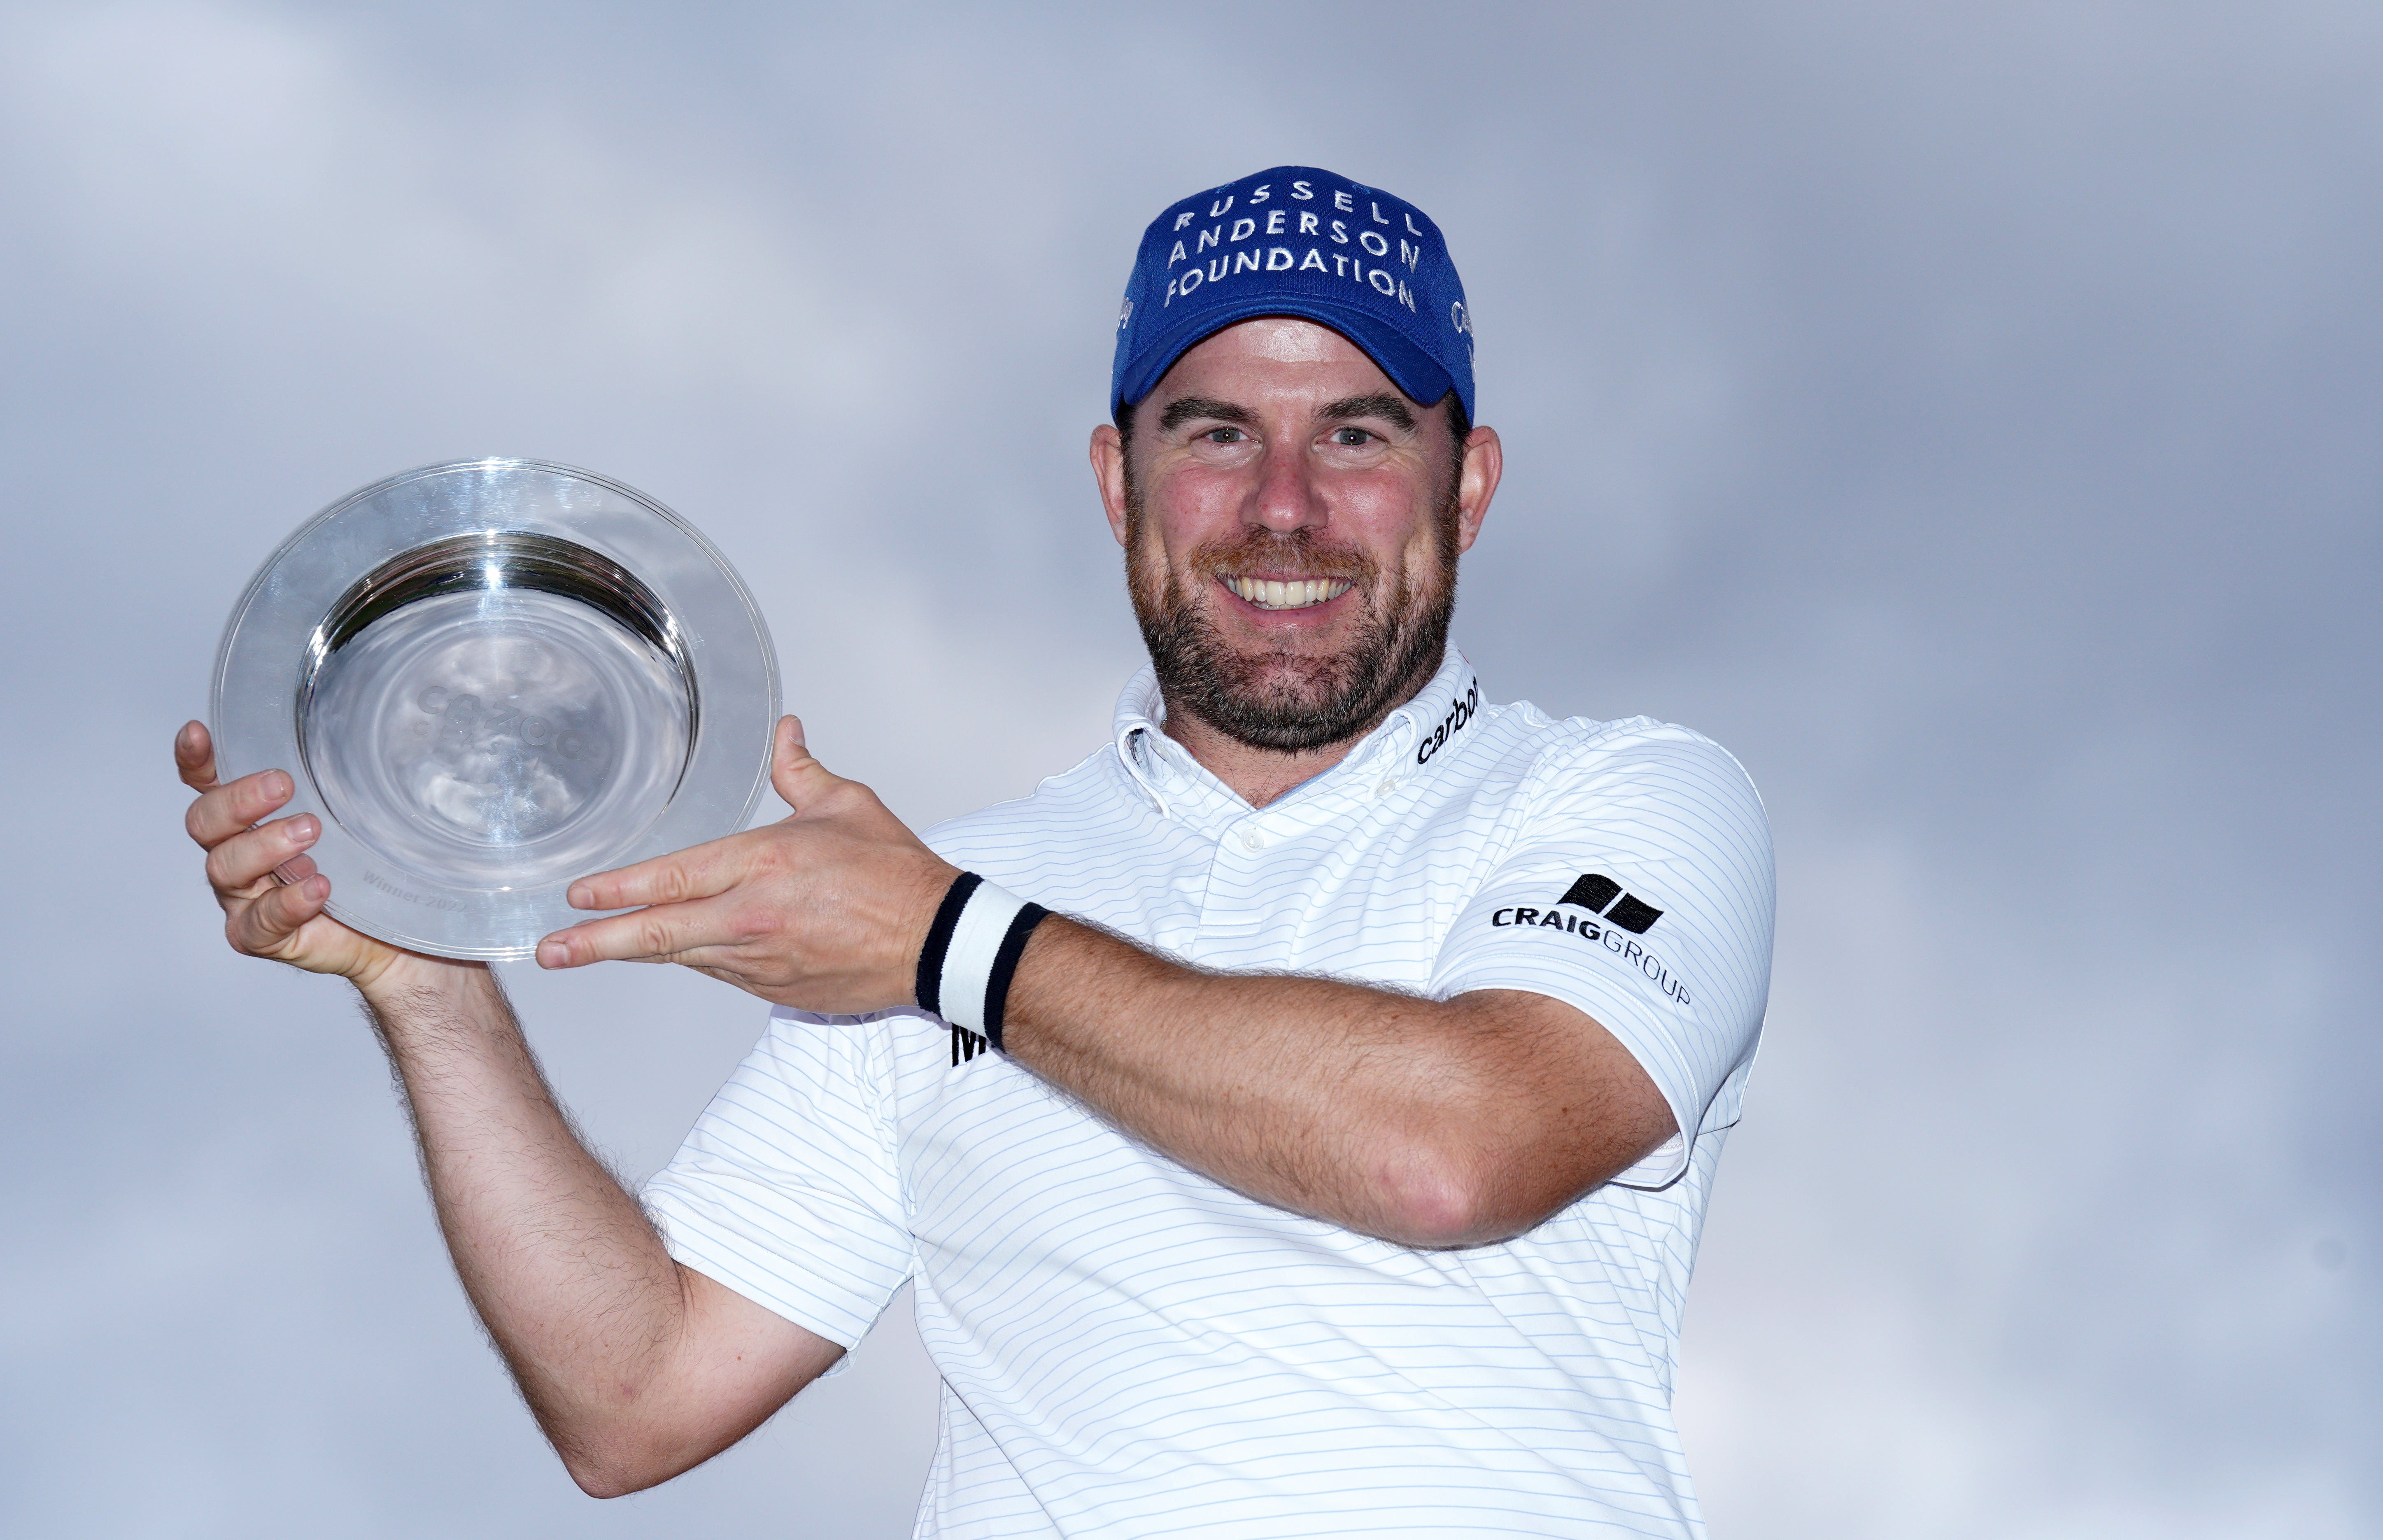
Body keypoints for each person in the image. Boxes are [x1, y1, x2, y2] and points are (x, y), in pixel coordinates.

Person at [177, 165, 1774, 1539]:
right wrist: (428, 984)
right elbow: (634, 1392)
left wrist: (954, 949)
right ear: (1115, 483)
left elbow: (1460, 1150)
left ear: (1468, 486)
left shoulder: (1623, 801)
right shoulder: (947, 895)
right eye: (1213, 432)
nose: (1282, 506)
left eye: (1356, 436)